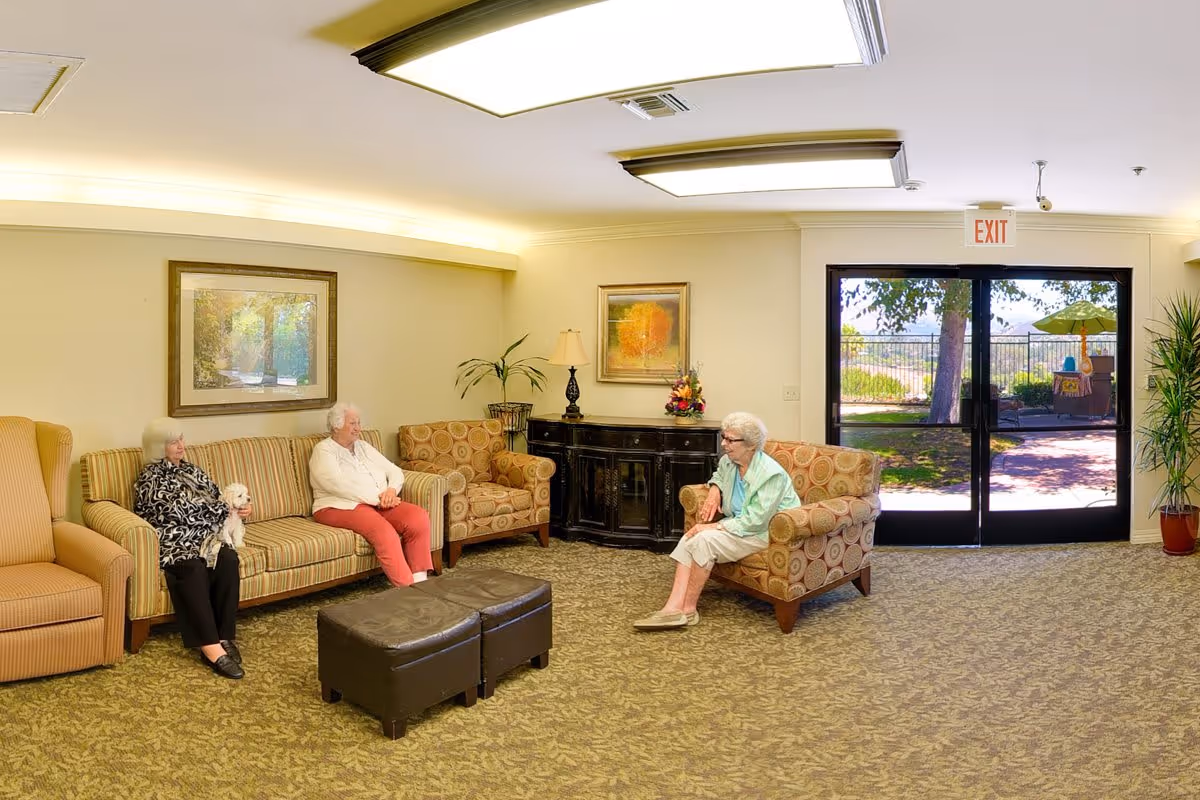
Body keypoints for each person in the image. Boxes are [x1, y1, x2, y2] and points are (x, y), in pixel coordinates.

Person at [633, 411, 800, 631]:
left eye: (731, 440)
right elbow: (719, 476)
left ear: (750, 445)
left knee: (703, 540)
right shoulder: (729, 462)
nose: (724, 444)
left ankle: (688, 610)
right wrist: (715, 489)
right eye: (724, 437)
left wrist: (712, 526)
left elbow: (755, 521)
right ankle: (672, 607)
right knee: (690, 536)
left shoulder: (771, 475)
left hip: (767, 532)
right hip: (740, 525)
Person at [134, 418, 252, 679]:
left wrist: (240, 509)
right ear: (158, 446)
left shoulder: (193, 470)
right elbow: (180, 513)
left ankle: (224, 636)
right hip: (173, 540)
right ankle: (209, 646)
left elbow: (217, 496)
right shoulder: (151, 477)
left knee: (228, 558)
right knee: (192, 568)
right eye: (173, 442)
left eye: (181, 439)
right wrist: (224, 509)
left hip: (206, 538)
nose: (181, 445)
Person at [309, 402, 433, 586]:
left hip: (378, 502)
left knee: (418, 517)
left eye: (358, 423)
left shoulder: (363, 446)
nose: (358, 428)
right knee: (384, 531)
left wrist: (391, 491)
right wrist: (379, 499)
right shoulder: (324, 450)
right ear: (336, 425)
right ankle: (408, 589)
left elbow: (394, 470)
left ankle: (421, 582)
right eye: (352, 423)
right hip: (337, 506)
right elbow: (338, 485)